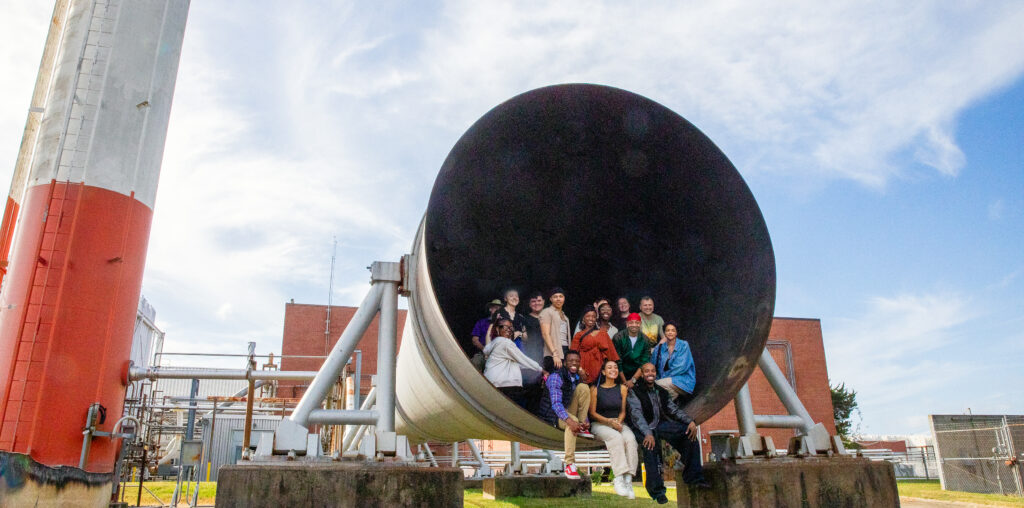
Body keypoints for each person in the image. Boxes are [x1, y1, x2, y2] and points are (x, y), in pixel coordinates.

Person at [627, 363, 708, 503]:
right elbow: (636, 416)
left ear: (655, 373)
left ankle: (693, 476)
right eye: (646, 371)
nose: (650, 373)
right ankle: (657, 491)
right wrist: (647, 433)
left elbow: (673, 410)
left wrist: (690, 421)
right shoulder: (635, 391)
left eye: (652, 371)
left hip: (659, 424)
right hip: (642, 427)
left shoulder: (661, 391)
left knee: (688, 433)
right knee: (650, 446)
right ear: (642, 373)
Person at [538, 350, 593, 479]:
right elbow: (556, 404)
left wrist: (585, 420)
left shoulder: (575, 378)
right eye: (571, 361)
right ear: (564, 363)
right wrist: (570, 421)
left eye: (577, 361)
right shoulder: (556, 377)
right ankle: (570, 465)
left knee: (584, 388)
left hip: (566, 411)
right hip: (551, 415)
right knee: (571, 421)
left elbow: (577, 400)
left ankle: (581, 426)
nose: (574, 363)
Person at [589, 359, 639, 499]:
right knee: (616, 438)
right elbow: (592, 413)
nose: (613, 370)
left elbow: (623, 411)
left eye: (616, 367)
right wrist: (609, 422)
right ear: (604, 372)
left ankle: (628, 480)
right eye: (609, 368)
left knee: (630, 439)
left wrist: (618, 422)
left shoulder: (622, 388)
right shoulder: (595, 389)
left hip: (618, 422)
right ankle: (618, 478)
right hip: (600, 424)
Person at [483, 318, 542, 408]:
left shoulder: (494, 344)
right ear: (498, 329)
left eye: (511, 328)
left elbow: (517, 363)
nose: (509, 330)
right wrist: (541, 369)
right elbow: (524, 359)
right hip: (505, 386)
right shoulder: (505, 343)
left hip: (492, 385)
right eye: (505, 327)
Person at [570, 306, 619, 385]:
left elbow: (611, 355)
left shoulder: (603, 334)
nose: (591, 318)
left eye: (593, 316)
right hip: (582, 371)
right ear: (583, 319)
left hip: (600, 372)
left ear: (596, 319)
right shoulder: (578, 335)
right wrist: (579, 369)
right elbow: (572, 356)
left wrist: (608, 370)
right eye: (588, 316)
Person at [650, 321, 695, 402]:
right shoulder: (660, 348)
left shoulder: (684, 345)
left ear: (676, 333)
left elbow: (681, 367)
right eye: (668, 330)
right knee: (655, 388)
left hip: (683, 380)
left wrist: (661, 379)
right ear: (664, 333)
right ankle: (672, 401)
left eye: (673, 330)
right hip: (665, 382)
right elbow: (652, 364)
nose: (670, 332)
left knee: (656, 385)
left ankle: (672, 399)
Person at [520, 291, 547, 412]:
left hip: (547, 356)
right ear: (529, 304)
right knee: (532, 390)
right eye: (533, 301)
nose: (537, 303)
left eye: (539, 300)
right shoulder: (524, 319)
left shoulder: (549, 317)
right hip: (531, 356)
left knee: (546, 390)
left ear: (544, 302)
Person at [612, 313, 650, 387]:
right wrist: (625, 382)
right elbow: (617, 361)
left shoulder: (645, 340)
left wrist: (633, 381)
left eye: (637, 322)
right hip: (620, 374)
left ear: (640, 324)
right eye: (631, 322)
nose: (634, 325)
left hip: (637, 375)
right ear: (627, 324)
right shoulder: (618, 337)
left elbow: (644, 362)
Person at [539, 287, 570, 372]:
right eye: (555, 297)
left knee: (564, 380)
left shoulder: (565, 316)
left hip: (565, 349)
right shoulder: (547, 312)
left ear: (564, 298)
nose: (558, 299)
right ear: (551, 299)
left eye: (561, 296)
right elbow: (545, 334)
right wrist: (555, 354)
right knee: (555, 380)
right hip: (553, 352)